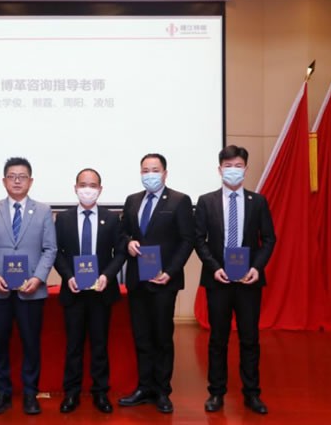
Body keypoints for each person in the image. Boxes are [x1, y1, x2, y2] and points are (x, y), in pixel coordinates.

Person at [193, 145, 276, 415]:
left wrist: (257, 268)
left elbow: (269, 239)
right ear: (219, 170)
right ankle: (216, 392)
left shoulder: (258, 202)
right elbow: (199, 240)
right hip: (218, 280)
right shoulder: (206, 201)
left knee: (250, 339)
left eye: (238, 166)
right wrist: (214, 267)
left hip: (249, 281)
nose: (233, 170)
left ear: (246, 169)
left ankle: (252, 394)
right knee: (218, 339)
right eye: (227, 166)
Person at [0, 157, 57, 415]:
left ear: (30, 181)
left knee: (31, 343)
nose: (17, 181)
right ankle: (2, 393)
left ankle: (31, 393)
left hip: (31, 290)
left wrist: (38, 278)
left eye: (22, 177)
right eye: (12, 176)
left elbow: (50, 249)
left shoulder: (43, 211)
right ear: (4, 181)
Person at [117, 153, 195, 414]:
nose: (149, 174)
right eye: (145, 170)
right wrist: (128, 242)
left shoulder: (179, 200)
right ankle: (144, 387)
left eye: (154, 170)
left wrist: (170, 272)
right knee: (141, 336)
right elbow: (122, 233)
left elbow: (187, 240)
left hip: (163, 281)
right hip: (137, 280)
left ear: (165, 173)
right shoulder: (132, 200)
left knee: (162, 337)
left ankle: (162, 391)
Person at [53, 168, 126, 414]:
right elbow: (56, 253)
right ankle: (71, 393)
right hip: (73, 291)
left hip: (101, 292)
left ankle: (100, 392)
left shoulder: (111, 218)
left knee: (99, 344)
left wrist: (107, 276)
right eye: (83, 185)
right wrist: (68, 276)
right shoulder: (63, 219)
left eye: (92, 185)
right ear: (75, 188)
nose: (87, 189)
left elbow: (120, 252)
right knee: (73, 345)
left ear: (100, 190)